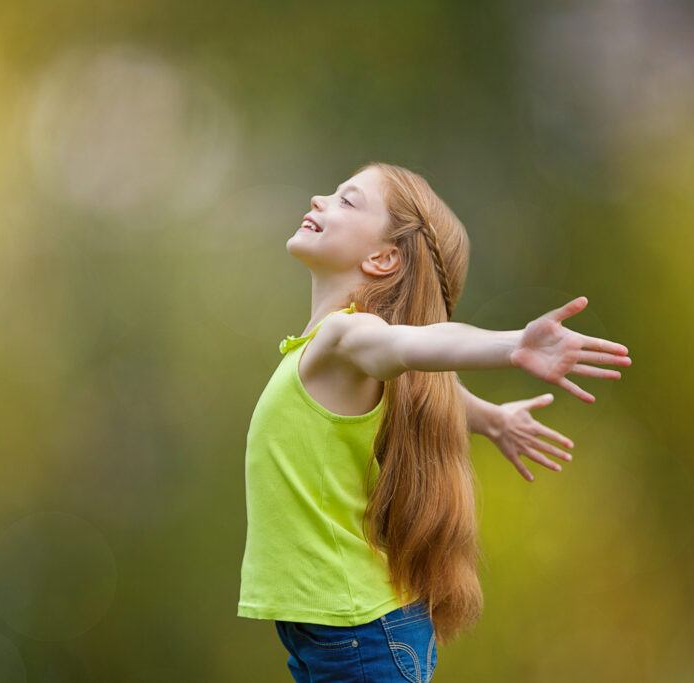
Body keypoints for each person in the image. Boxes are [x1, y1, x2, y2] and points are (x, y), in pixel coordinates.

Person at [235, 161, 632, 682]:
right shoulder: (324, 354)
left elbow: (413, 344)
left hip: (360, 637)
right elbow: (424, 380)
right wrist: (490, 418)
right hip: (337, 634)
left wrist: (514, 345)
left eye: (347, 200)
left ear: (383, 257)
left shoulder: (346, 338)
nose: (318, 200)